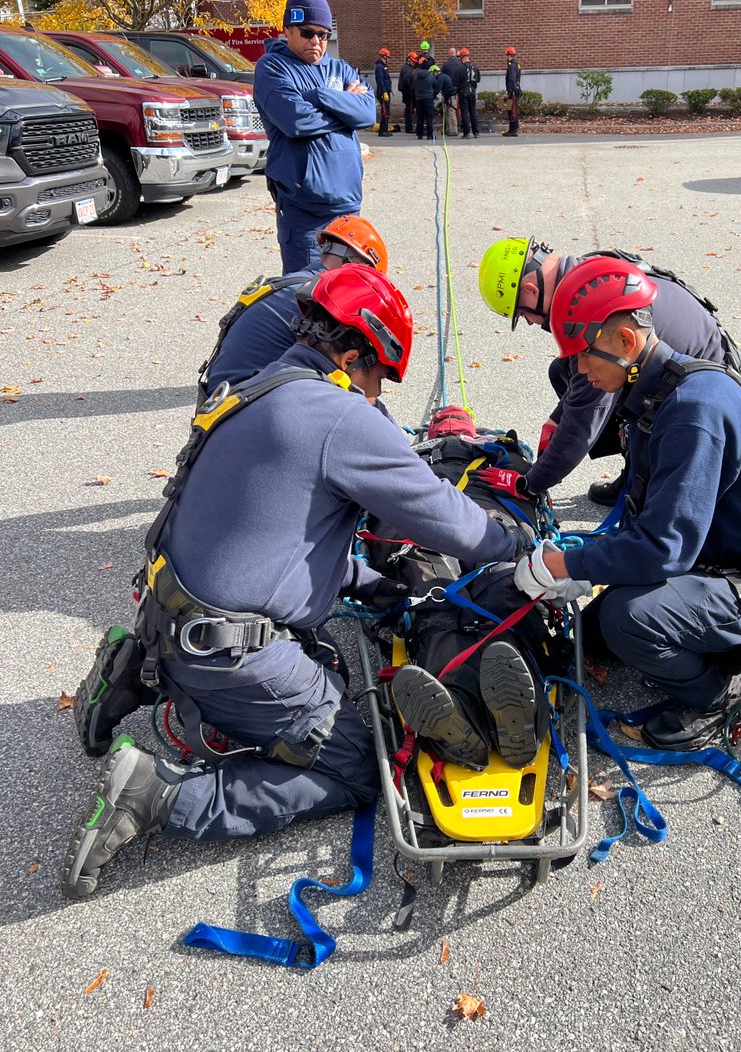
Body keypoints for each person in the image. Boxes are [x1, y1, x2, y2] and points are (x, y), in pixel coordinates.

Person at [62, 266, 526, 900]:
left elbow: (278, 538)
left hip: (166, 611)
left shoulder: (252, 389)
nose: (376, 395)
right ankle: (160, 798)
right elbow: (446, 518)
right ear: (355, 353)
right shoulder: (337, 416)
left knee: (300, 649)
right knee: (357, 761)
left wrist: (367, 583)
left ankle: (133, 670)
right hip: (227, 653)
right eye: (379, 377)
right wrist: (514, 546)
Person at [512, 262, 741, 753]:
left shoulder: (691, 412)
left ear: (624, 341)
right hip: (722, 554)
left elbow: (662, 547)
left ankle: (719, 697)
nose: (579, 372)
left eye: (582, 357)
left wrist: (562, 563)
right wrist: (584, 562)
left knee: (624, 617)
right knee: (593, 633)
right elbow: (650, 519)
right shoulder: (661, 391)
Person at [364, 404, 570, 771]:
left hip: (424, 529)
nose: (448, 429)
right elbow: (533, 489)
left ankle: (459, 707)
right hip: (490, 521)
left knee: (433, 599)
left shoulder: (408, 455)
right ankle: (514, 710)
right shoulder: (503, 451)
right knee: (502, 588)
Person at [478, 241, 741, 504]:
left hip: (712, 404)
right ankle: (637, 471)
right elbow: (580, 390)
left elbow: (582, 421)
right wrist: (555, 420)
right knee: (561, 371)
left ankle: (647, 483)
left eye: (522, 314)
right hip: (708, 367)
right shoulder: (588, 274)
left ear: (530, 291)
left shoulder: (588, 312)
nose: (528, 322)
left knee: (602, 378)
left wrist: (529, 483)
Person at [253, 0, 375, 274]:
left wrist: (321, 96)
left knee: (345, 294)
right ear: (288, 30)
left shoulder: (340, 69)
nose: (317, 41)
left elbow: (367, 112)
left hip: (347, 206)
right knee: (305, 297)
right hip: (304, 210)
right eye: (308, 32)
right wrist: (346, 109)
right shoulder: (273, 68)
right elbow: (297, 121)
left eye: (324, 34)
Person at [198, 215, 389, 399]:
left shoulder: (293, 284)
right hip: (244, 410)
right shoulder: (318, 302)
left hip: (219, 404)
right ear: (359, 265)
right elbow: (351, 380)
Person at [413, 56, 439, 140]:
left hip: (419, 99)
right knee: (429, 117)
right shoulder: (431, 77)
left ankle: (419, 134)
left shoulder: (416, 77)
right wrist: (433, 94)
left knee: (420, 117)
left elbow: (413, 87)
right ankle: (430, 135)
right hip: (428, 98)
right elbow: (436, 87)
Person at [440, 47, 464, 136]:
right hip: (457, 90)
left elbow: (442, 77)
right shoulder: (460, 65)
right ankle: (451, 129)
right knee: (453, 110)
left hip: (448, 90)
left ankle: (452, 129)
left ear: (449, 54)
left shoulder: (446, 65)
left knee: (449, 111)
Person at [458, 48, 480, 139]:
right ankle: (476, 132)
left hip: (464, 92)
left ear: (462, 57)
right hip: (472, 92)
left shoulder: (461, 68)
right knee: (473, 112)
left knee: (464, 112)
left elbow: (456, 81)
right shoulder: (475, 67)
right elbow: (478, 79)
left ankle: (466, 132)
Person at [398, 50, 418, 134]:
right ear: (409, 59)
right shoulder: (407, 69)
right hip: (408, 92)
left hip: (408, 92)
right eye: (413, 61)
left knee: (409, 109)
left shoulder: (409, 68)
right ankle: (409, 127)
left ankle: (409, 127)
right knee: (409, 109)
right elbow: (407, 81)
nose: (414, 63)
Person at [374, 47, 393, 137]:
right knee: (385, 112)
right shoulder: (379, 67)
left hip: (386, 92)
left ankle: (385, 130)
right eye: (387, 58)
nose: (388, 60)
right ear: (384, 57)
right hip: (383, 93)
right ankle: (382, 131)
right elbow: (380, 81)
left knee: (387, 112)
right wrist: (384, 92)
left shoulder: (382, 67)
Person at [503, 46, 521, 137]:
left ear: (509, 56)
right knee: (512, 110)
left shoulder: (512, 66)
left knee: (512, 111)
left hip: (512, 91)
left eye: (507, 56)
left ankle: (513, 130)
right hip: (515, 90)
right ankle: (513, 128)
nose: (506, 58)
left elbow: (512, 80)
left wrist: (508, 93)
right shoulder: (516, 64)